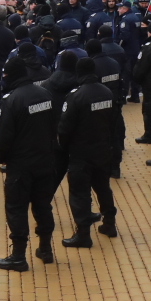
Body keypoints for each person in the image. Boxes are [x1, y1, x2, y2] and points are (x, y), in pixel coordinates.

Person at [0, 56, 60, 270]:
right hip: (46, 161)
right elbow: (54, 124)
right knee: (43, 206)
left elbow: (2, 137)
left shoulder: (11, 100)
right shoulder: (45, 93)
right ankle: (45, 248)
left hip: (20, 166)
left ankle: (19, 256)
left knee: (16, 208)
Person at [57, 57, 123, 247]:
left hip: (81, 153)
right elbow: (114, 122)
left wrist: (64, 148)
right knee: (103, 187)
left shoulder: (75, 96)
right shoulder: (107, 93)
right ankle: (109, 223)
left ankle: (83, 234)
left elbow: (64, 128)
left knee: (80, 193)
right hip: (103, 150)